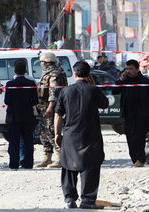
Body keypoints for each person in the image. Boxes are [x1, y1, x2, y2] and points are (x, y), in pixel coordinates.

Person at [54, 61, 108, 209]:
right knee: (91, 166)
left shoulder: (65, 91)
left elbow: (58, 115)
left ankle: (70, 200)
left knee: (68, 166)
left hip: (70, 134)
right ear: (89, 74)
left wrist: (57, 133)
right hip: (91, 135)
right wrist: (94, 85)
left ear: (75, 73)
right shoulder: (94, 90)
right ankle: (88, 200)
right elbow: (105, 104)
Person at [112, 60, 149, 167]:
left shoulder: (144, 81)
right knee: (130, 138)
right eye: (127, 69)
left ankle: (140, 159)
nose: (128, 71)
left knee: (140, 138)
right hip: (128, 115)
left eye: (131, 69)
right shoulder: (124, 80)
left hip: (142, 115)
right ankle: (135, 159)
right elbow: (114, 91)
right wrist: (121, 80)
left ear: (137, 69)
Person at [34, 52, 68, 168]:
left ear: (47, 63)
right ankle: (47, 157)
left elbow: (54, 91)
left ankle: (60, 157)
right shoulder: (48, 73)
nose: (41, 64)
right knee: (44, 133)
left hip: (52, 108)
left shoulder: (55, 74)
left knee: (52, 131)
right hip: (44, 107)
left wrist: (50, 106)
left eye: (42, 62)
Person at [4, 60, 39, 169]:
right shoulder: (31, 84)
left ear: (14, 70)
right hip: (27, 117)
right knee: (28, 141)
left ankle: (14, 163)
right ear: (25, 71)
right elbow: (35, 101)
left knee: (14, 142)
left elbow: (7, 101)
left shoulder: (10, 84)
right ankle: (28, 163)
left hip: (13, 117)